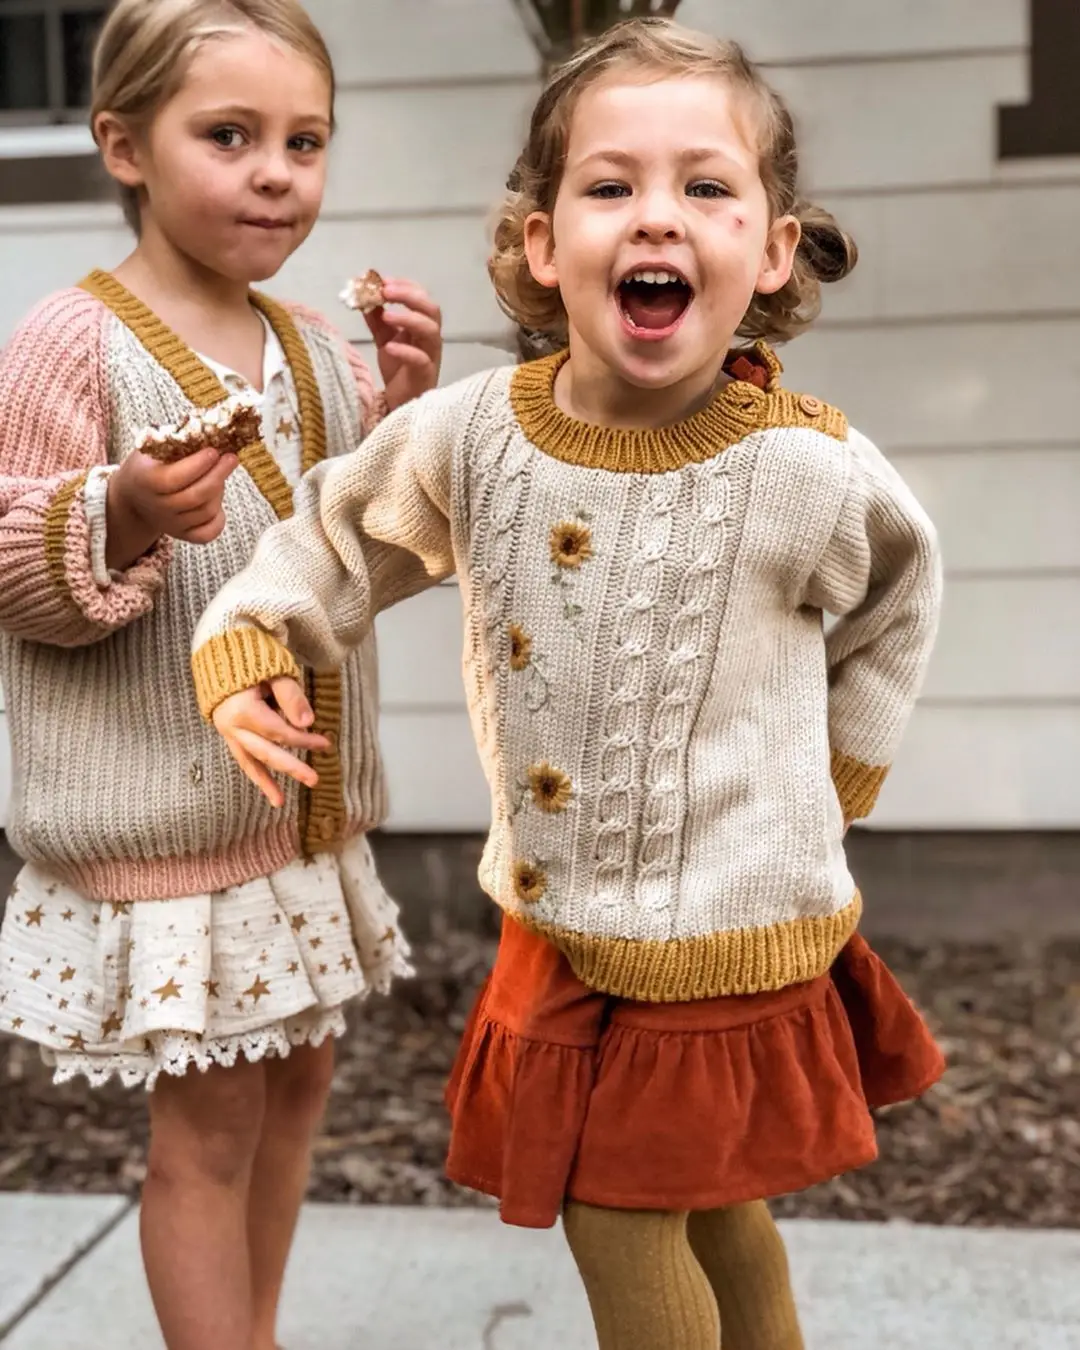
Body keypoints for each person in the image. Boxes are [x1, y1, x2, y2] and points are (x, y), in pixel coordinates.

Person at [196, 18, 945, 1349]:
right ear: (542, 244)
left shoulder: (805, 470)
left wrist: (834, 772)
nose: (656, 215)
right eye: (610, 186)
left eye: (705, 186)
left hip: (726, 927)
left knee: (624, 1209)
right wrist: (254, 638)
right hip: (566, 915)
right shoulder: (476, 436)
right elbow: (337, 535)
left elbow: (903, 587)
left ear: (773, 250)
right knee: (709, 1207)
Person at [0, 1, 443, 1346]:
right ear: (124, 145)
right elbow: (9, 564)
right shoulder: (73, 342)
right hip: (176, 828)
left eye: (305, 141)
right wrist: (121, 514)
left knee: (297, 1096)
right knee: (209, 1130)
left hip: (297, 819)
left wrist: (403, 422)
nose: (276, 174)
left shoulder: (314, 348)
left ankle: (253, 1330)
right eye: (230, 136)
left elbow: (366, 562)